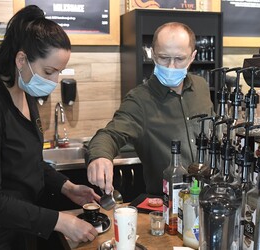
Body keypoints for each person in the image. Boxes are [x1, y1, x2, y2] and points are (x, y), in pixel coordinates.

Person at [0, 5, 100, 250]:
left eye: (58, 73)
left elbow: (26, 160)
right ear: (21, 60)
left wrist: (67, 186)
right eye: (49, 71)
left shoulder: (25, 95)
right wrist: (59, 221)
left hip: (18, 231)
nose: (53, 82)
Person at [86, 22, 214, 195]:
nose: (171, 66)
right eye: (163, 57)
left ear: (192, 57)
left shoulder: (201, 86)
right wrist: (100, 156)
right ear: (153, 55)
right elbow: (110, 134)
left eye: (179, 59)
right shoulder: (139, 100)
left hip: (209, 195)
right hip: (167, 205)